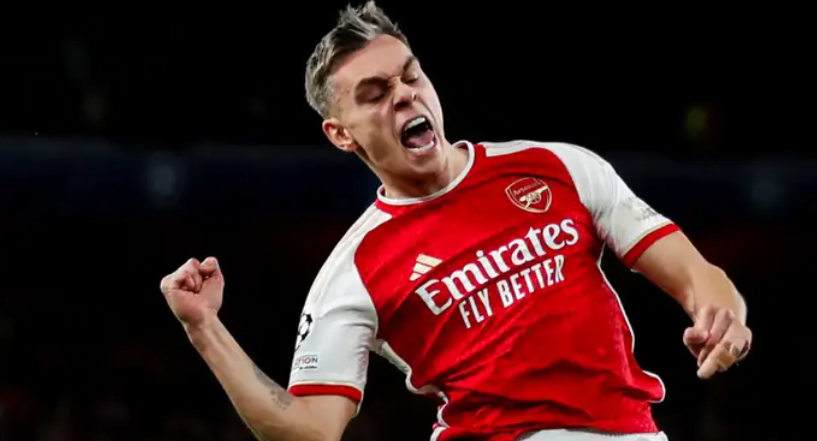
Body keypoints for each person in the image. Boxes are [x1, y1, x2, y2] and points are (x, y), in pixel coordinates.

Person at [158, 2, 752, 440]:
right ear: (340, 134)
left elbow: (697, 276)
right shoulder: (353, 271)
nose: (404, 95)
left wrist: (723, 314)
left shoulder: (556, 166)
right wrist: (205, 329)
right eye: (374, 93)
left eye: (410, 75)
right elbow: (311, 430)